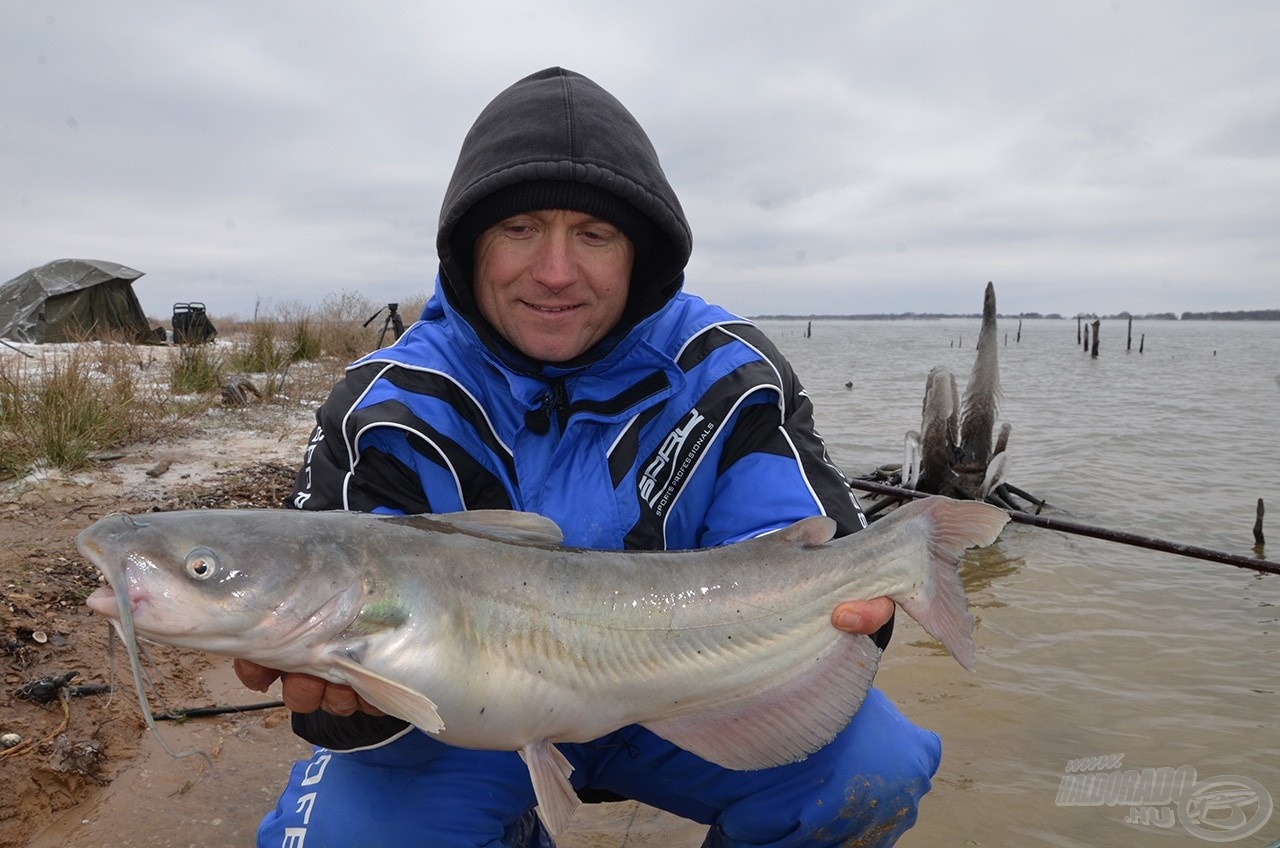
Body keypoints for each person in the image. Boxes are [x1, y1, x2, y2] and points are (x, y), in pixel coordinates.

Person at [236, 67, 940, 847]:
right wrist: (342, 712)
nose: (556, 272)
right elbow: (335, 656)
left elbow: (809, 543)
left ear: (640, 255)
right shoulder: (385, 405)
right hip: (455, 724)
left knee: (876, 769)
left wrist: (850, 615)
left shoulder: (730, 371)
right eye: (521, 228)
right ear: (471, 246)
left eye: (594, 235)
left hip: (676, 695)